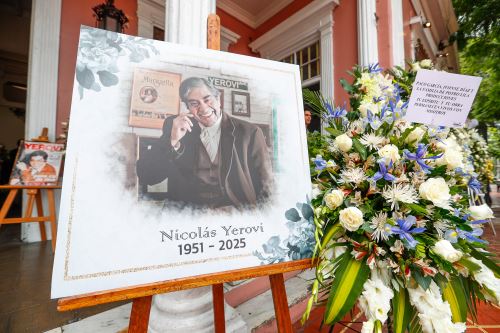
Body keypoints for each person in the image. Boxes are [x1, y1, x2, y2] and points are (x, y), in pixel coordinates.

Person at [136, 77, 273, 209]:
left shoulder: (249, 132)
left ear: (218, 99)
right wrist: (172, 140)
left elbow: (266, 186)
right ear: (187, 107)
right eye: (194, 104)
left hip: (234, 217)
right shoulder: (176, 126)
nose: (203, 108)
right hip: (188, 217)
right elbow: (147, 175)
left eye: (207, 100)